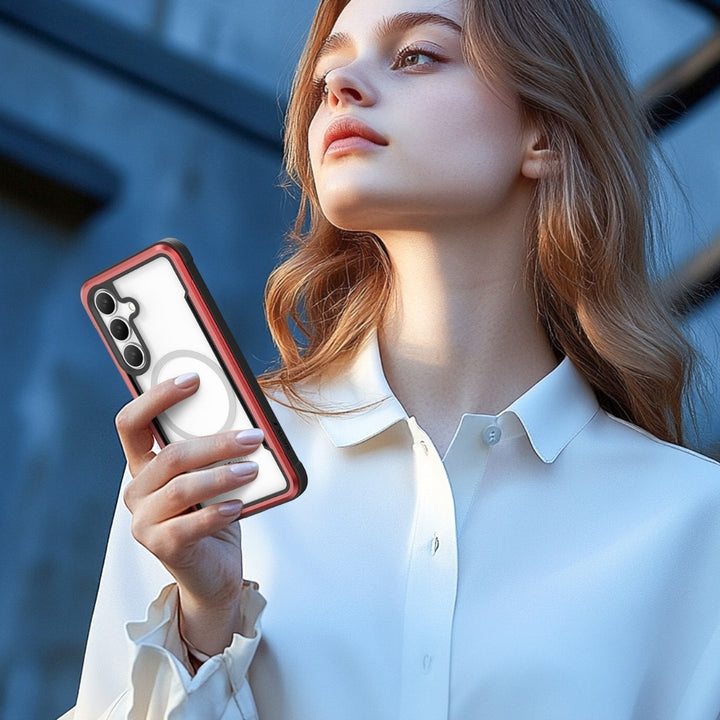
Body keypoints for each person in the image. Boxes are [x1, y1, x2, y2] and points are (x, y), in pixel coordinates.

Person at [63, 0, 720, 718]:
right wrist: (201, 624)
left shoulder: (693, 521)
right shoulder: (213, 475)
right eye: (325, 74)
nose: (341, 86)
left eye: (416, 56)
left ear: (545, 132)